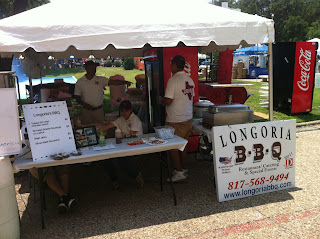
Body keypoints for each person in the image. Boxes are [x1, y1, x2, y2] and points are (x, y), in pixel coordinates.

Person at [160, 55, 195, 182]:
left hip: (175, 119)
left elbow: (168, 101)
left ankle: (179, 172)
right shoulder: (190, 79)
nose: (170, 66)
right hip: (188, 118)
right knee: (183, 145)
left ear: (175, 65)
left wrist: (160, 101)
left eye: (171, 64)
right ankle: (183, 168)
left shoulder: (173, 80)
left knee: (173, 147)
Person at [101, 100, 144, 189]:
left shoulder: (135, 119)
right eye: (122, 111)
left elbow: (131, 135)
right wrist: (93, 132)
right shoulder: (121, 119)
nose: (124, 113)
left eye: (126, 111)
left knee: (118, 160)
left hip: (135, 146)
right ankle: (114, 180)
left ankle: (136, 175)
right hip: (123, 146)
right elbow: (107, 127)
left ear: (131, 110)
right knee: (105, 159)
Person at [74, 60, 131, 124]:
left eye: (94, 68)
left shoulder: (100, 79)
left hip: (99, 110)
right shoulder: (80, 82)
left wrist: (124, 82)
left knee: (101, 128)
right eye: (91, 68)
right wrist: (85, 105)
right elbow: (77, 97)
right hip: (86, 111)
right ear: (86, 68)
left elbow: (112, 82)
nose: (93, 70)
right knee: (88, 128)